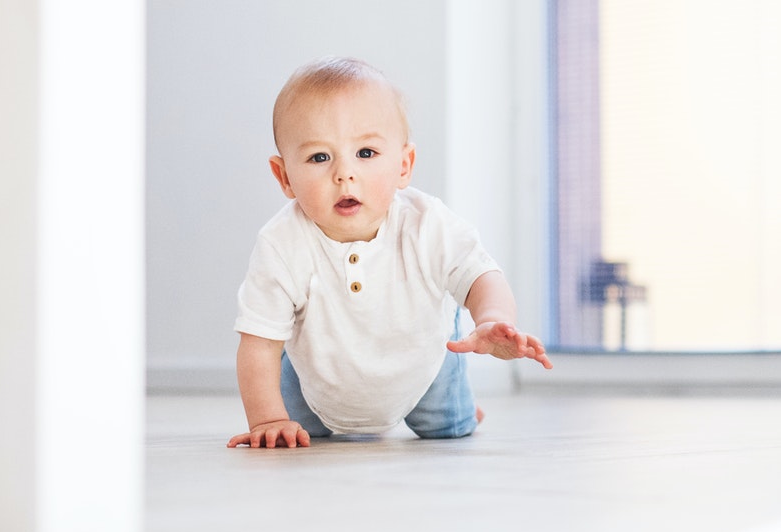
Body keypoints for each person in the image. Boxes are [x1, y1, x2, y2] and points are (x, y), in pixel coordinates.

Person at [229, 57, 551, 449]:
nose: (344, 174)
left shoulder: (426, 223)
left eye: (365, 153)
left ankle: (462, 405)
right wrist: (269, 418)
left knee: (449, 429)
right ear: (284, 177)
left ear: (404, 164)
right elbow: (258, 343)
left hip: (424, 363)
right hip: (318, 376)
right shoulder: (282, 243)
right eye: (319, 157)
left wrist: (494, 320)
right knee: (294, 430)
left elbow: (481, 275)